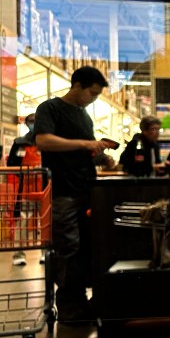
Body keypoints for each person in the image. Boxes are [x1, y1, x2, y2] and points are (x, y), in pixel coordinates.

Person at [33, 66, 116, 324]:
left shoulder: (84, 117)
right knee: (68, 249)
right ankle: (68, 305)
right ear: (77, 86)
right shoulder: (50, 109)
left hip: (86, 190)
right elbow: (43, 141)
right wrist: (85, 144)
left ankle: (83, 301)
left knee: (88, 247)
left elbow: (86, 150)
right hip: (64, 193)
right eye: (91, 93)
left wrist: (103, 157)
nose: (93, 99)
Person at [5, 113, 42, 266]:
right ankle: (18, 255)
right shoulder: (19, 142)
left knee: (47, 223)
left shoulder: (47, 141)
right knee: (23, 221)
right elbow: (11, 164)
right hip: (26, 189)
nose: (33, 124)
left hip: (46, 189)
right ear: (26, 123)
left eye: (35, 122)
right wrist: (23, 174)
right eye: (30, 122)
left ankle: (46, 253)